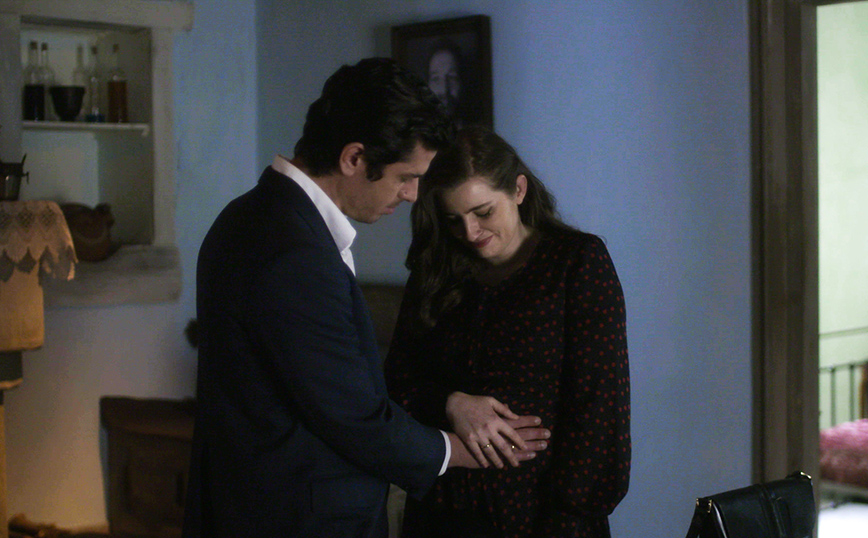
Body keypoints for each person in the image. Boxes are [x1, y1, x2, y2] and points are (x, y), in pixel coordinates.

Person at [182, 59, 550, 538]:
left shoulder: (247, 215)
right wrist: (462, 450)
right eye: (405, 177)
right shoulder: (293, 252)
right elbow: (353, 415)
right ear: (354, 158)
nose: (414, 194)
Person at [385, 126, 631, 537]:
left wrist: (567, 518)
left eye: (483, 212)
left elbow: (599, 411)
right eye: (453, 220)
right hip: (442, 511)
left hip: (542, 515)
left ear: (518, 190)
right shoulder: (436, 271)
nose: (470, 232)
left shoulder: (576, 263)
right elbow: (396, 381)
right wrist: (451, 403)